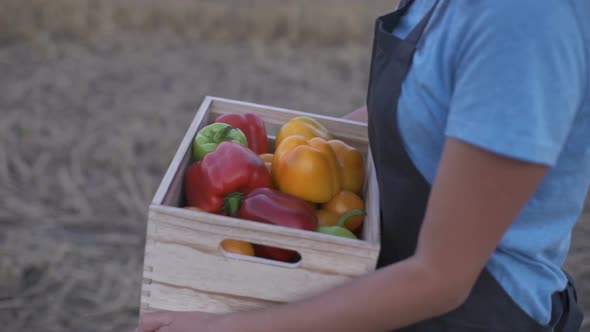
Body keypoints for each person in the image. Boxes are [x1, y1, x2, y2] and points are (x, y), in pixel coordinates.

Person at [135, 0, 590, 331]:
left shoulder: (526, 21)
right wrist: (273, 156)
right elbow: (418, 115)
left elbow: (443, 279)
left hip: (473, 314)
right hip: (382, 284)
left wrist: (229, 329)